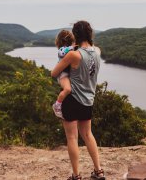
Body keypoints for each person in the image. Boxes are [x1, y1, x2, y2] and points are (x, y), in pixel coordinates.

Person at [51, 20, 105, 180]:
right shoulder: (98, 51)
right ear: (90, 33)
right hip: (88, 100)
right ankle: (98, 171)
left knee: (72, 138)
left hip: (72, 99)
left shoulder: (73, 55)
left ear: (75, 35)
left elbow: (54, 73)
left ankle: (76, 175)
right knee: (88, 135)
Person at [52, 30, 75, 119]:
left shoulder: (70, 49)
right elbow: (62, 53)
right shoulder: (62, 49)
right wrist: (72, 48)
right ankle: (57, 105)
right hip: (62, 74)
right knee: (68, 89)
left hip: (66, 73)